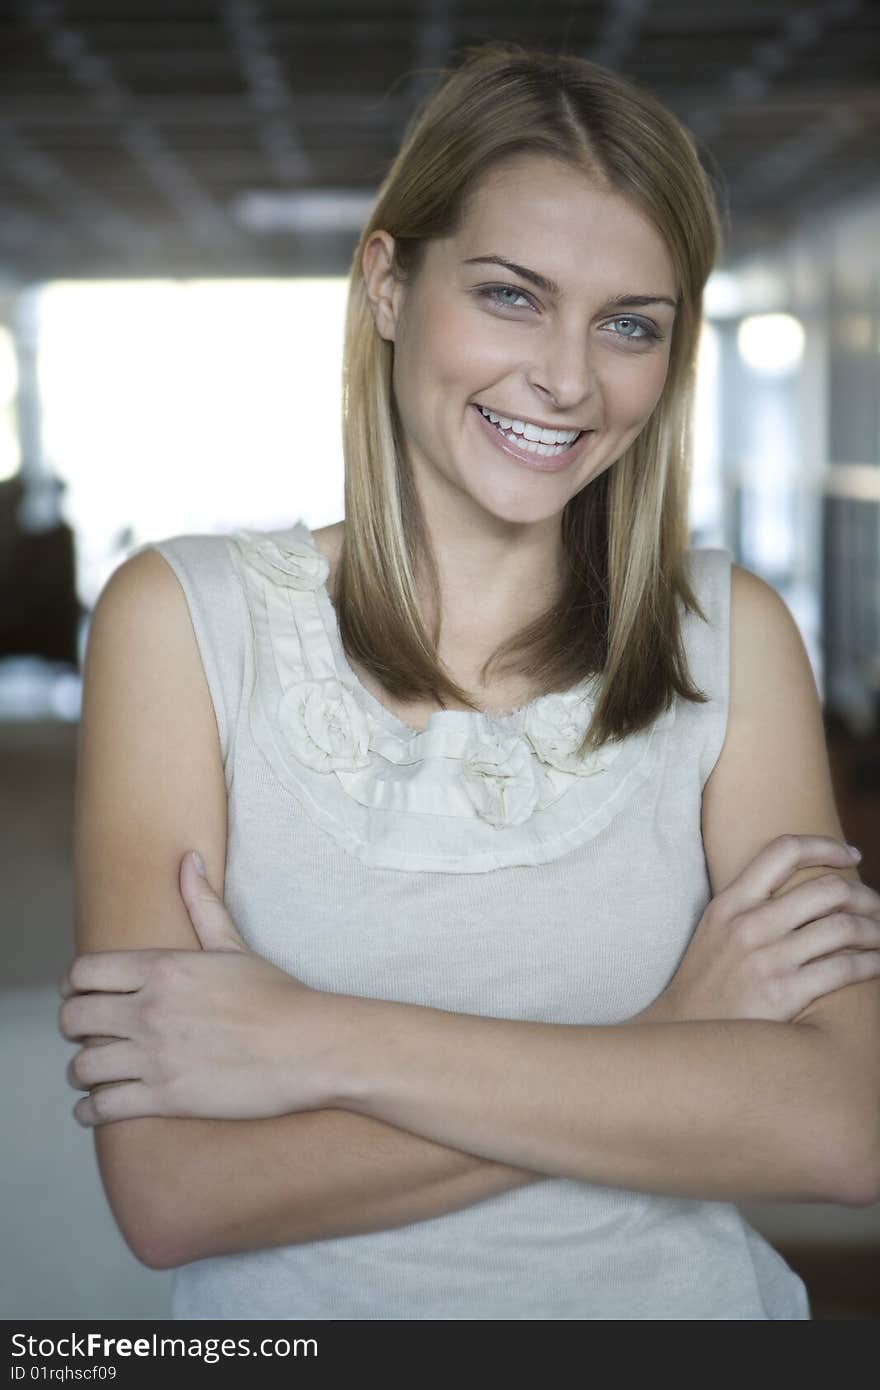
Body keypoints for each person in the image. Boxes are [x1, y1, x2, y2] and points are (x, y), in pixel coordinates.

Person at [60, 42, 880, 1320]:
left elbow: (838, 1129)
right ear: (387, 283)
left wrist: (317, 1039)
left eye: (629, 326)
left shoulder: (729, 634)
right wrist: (667, 1043)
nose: (566, 377)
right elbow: (176, 1195)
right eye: (510, 295)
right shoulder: (183, 623)